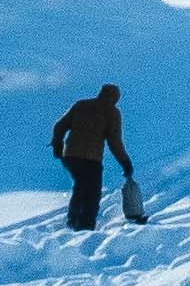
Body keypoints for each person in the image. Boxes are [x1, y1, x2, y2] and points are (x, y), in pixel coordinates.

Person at [48, 83, 139, 231]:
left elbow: (59, 126)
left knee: (79, 187)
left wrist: (57, 146)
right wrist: (125, 162)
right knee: (92, 193)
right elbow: (114, 142)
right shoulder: (112, 112)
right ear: (115, 98)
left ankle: (72, 222)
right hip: (91, 160)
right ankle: (85, 227)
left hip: (71, 157)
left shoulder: (81, 105)